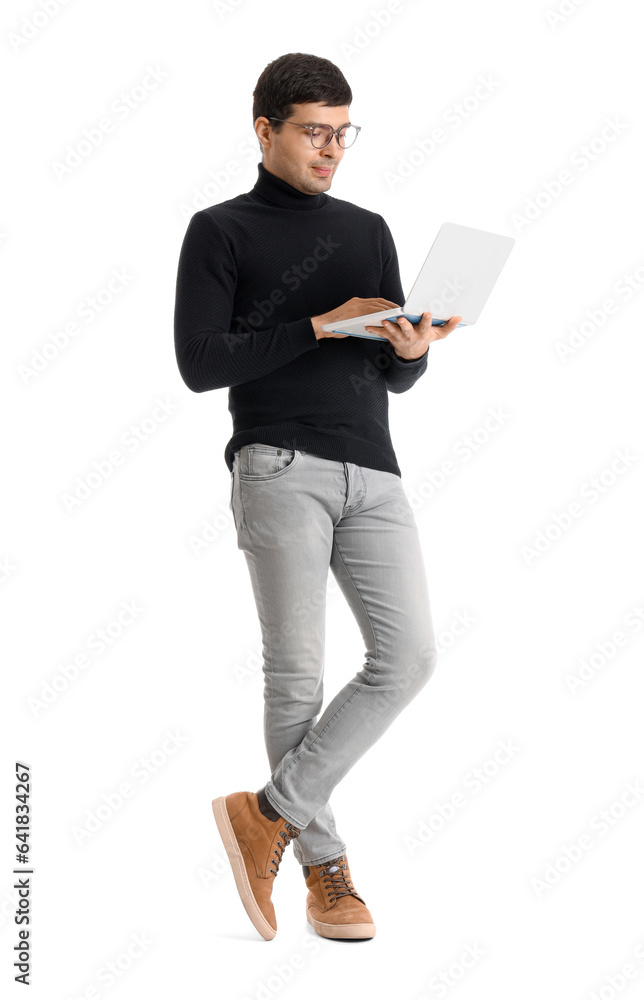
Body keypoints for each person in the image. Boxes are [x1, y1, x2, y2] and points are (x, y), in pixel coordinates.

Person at [173, 52, 462, 943]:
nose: (332, 149)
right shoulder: (220, 230)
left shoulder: (369, 226)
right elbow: (200, 363)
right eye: (313, 132)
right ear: (265, 130)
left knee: (407, 657)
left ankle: (267, 812)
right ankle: (327, 874)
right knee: (297, 674)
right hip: (277, 465)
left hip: (374, 469)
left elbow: (387, 370)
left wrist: (410, 353)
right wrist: (319, 322)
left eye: (343, 132)